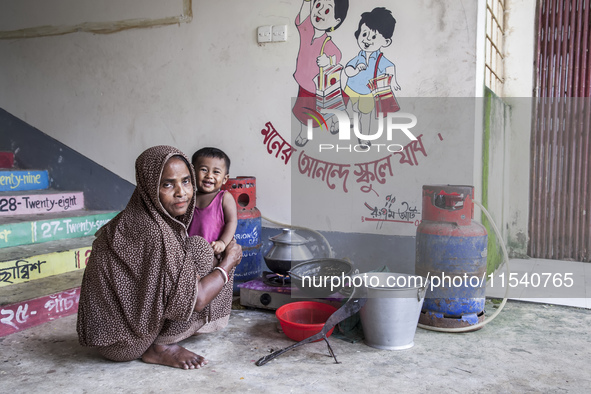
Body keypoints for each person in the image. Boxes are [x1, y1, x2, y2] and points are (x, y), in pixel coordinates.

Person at [77, 145, 242, 370]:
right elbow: (198, 300)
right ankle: (161, 346)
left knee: (194, 250)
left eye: (185, 181)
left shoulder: (135, 216)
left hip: (111, 336)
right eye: (167, 184)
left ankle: (158, 339)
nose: (181, 192)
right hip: (127, 342)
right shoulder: (157, 234)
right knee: (202, 252)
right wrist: (229, 261)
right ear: (149, 186)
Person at [292, 0, 349, 147]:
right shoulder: (307, 29)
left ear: (336, 21)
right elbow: (302, 16)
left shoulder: (327, 42)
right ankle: (304, 133)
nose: (319, 12)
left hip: (320, 87)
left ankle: (337, 120)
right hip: (304, 84)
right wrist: (307, 2)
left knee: (329, 106)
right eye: (318, 6)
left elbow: (338, 56)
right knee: (303, 113)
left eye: (327, 10)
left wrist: (328, 60)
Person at [344, 7, 400, 147]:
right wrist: (356, 70)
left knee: (366, 115)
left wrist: (393, 82)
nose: (367, 40)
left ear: (385, 42)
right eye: (364, 34)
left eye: (374, 37)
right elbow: (348, 70)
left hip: (368, 92)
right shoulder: (359, 56)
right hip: (351, 88)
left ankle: (364, 138)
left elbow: (390, 67)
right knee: (348, 107)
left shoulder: (380, 58)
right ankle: (351, 120)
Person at [188, 147, 237, 256]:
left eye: (216, 172)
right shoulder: (189, 197)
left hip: (214, 253)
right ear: (192, 172)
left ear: (225, 179)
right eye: (204, 169)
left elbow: (232, 222)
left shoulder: (224, 198)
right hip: (190, 254)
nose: (209, 175)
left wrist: (223, 243)